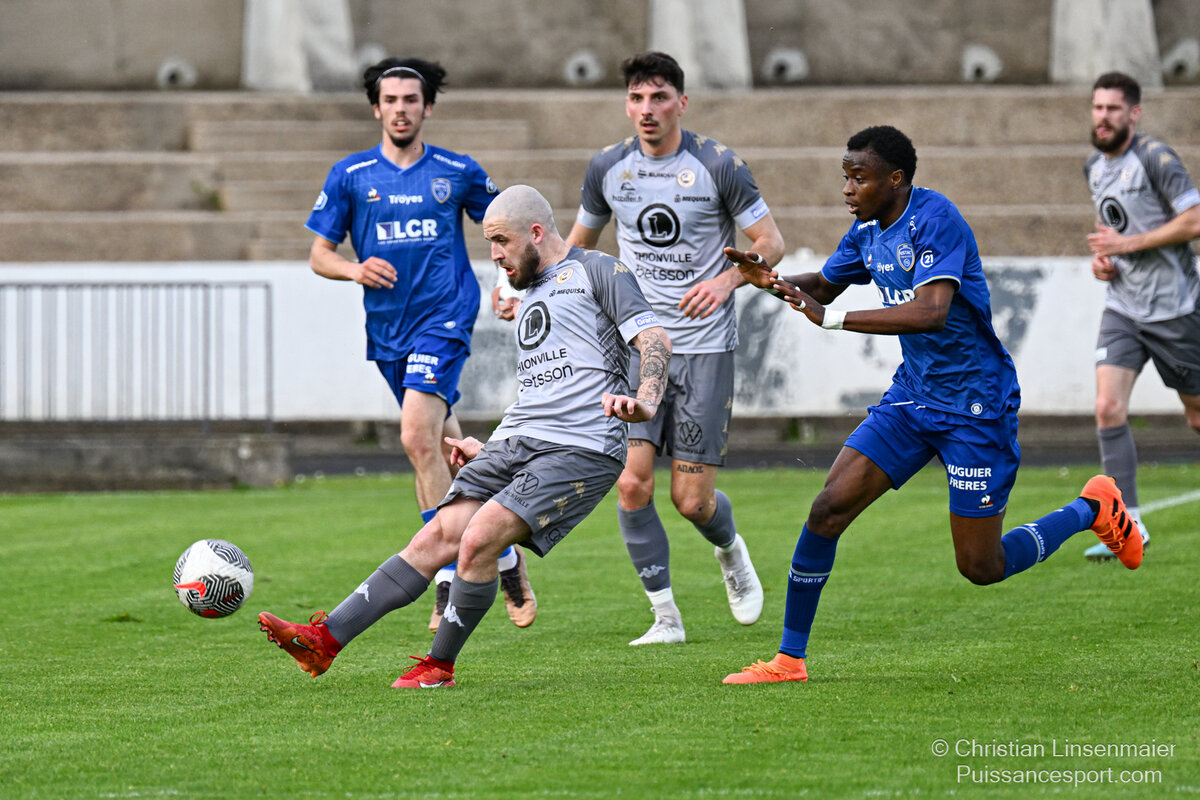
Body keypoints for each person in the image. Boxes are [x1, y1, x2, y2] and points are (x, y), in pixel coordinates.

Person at [722, 126, 1142, 685]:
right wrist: (769, 281)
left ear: (895, 179)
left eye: (859, 178)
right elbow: (821, 288)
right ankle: (788, 660)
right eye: (845, 177)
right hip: (913, 397)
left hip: (975, 406)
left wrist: (833, 320)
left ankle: (1092, 508)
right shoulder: (867, 229)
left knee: (981, 566)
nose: (847, 189)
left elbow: (931, 312)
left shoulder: (935, 219)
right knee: (828, 510)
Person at [259, 185, 672, 688]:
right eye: (489, 242)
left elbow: (654, 338)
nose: (494, 254)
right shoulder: (530, 290)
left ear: (535, 233)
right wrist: (493, 447)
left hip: (581, 446)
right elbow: (548, 385)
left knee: (478, 538)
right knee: (436, 536)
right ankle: (324, 641)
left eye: (501, 241)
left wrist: (646, 399)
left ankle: (439, 666)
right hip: (518, 440)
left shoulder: (599, 270)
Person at [305, 57, 537, 630]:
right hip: (388, 330)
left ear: (427, 107)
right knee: (438, 445)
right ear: (376, 108)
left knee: (415, 436)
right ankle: (506, 557)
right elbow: (319, 254)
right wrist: (354, 270)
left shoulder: (457, 171)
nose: (401, 109)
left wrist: (510, 285)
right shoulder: (350, 175)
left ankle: (447, 575)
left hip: (445, 317)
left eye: (411, 99)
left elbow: (508, 225)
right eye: (391, 100)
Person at [563, 51, 785, 645]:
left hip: (706, 350)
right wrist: (526, 288)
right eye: (637, 98)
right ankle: (665, 618)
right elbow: (577, 249)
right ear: (626, 105)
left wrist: (727, 281)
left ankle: (730, 549)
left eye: (659, 97)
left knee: (691, 500)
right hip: (640, 346)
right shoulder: (607, 167)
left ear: (681, 103)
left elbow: (771, 242)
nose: (648, 109)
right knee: (631, 483)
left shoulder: (718, 164)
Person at [1081, 71, 1200, 561]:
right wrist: (1104, 261)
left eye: (1112, 108)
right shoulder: (1094, 165)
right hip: (1123, 308)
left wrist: (1129, 244)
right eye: (1097, 107)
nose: (1102, 117)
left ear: (1134, 113)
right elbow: (1108, 224)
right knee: (1108, 407)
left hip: (1174, 310)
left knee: (1196, 416)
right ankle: (1127, 525)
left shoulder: (1155, 158)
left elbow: (1194, 219)